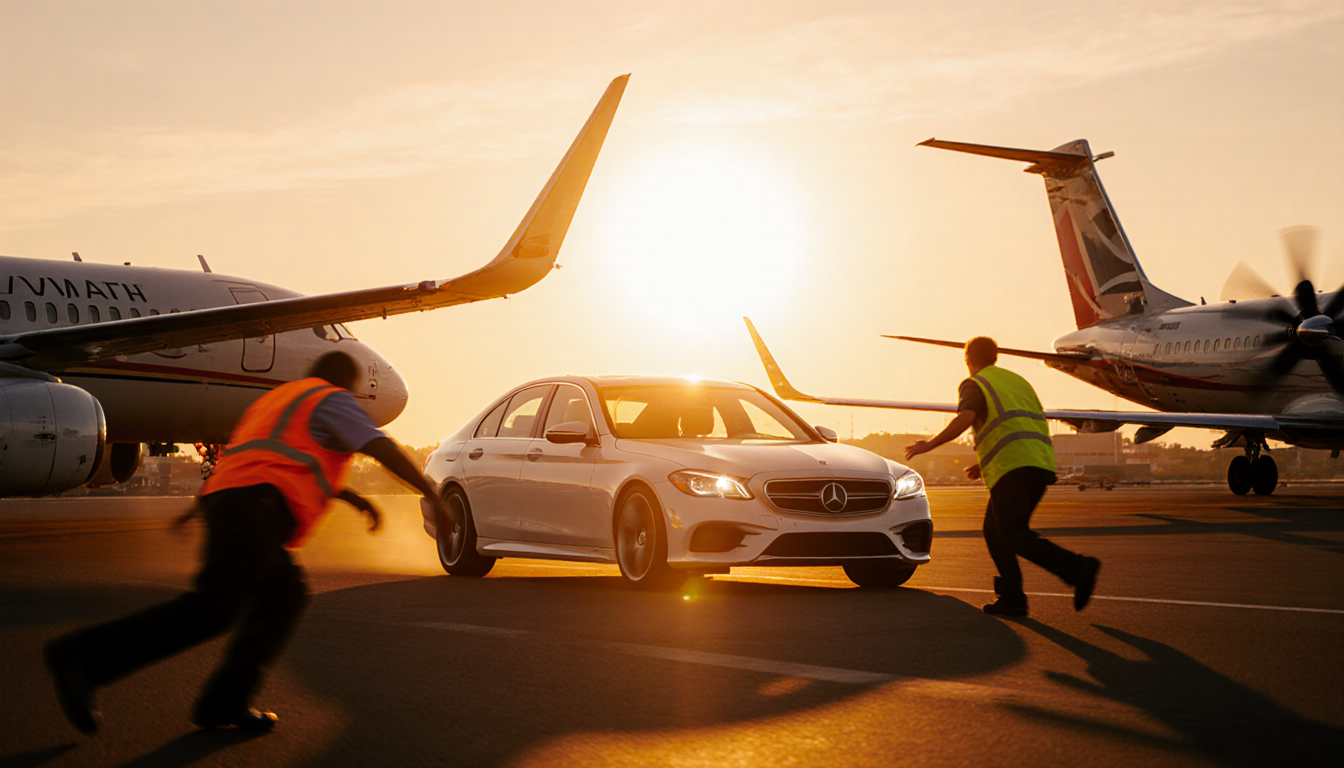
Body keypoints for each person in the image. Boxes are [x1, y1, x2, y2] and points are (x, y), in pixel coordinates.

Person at [44, 351, 451, 734]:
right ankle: (82, 658)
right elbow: (379, 445)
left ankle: (224, 702)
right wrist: (430, 493)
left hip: (236, 504)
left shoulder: (277, 402)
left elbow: (266, 459)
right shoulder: (331, 398)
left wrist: (351, 497)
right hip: (258, 510)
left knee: (284, 597)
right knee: (211, 610)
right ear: (346, 380)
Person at [905, 336, 1100, 617]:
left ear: (968, 360)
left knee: (1011, 532)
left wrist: (929, 445)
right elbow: (1013, 426)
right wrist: (983, 465)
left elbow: (966, 417)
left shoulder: (976, 383)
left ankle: (1077, 568)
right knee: (996, 532)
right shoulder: (1017, 382)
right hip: (1039, 463)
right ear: (995, 356)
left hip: (1013, 468)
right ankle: (1012, 598)